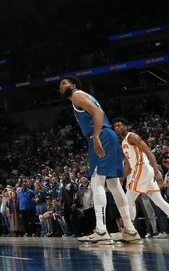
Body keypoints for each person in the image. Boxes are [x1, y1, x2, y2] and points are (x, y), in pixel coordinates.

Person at [58, 77, 140, 244]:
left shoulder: (76, 95)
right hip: (108, 135)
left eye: (64, 83)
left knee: (97, 182)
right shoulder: (81, 96)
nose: (61, 86)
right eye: (60, 84)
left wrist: (96, 136)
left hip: (101, 134)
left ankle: (102, 231)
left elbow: (98, 113)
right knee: (114, 185)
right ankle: (130, 230)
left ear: (73, 86)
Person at [112, 117, 169, 242]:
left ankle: (130, 231)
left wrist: (157, 172)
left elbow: (149, 153)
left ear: (126, 126)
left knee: (128, 200)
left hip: (142, 169)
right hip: (139, 170)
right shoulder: (123, 142)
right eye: (115, 127)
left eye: (119, 125)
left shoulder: (132, 137)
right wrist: (122, 178)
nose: (117, 128)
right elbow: (128, 164)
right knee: (160, 202)